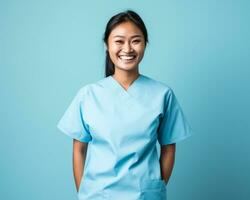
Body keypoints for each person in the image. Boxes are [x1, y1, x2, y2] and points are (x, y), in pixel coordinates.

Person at [57, 9, 193, 200]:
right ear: (107, 45)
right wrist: (84, 192)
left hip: (144, 195)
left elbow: (169, 148)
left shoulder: (162, 95)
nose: (127, 49)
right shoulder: (88, 95)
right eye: (119, 41)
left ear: (145, 44)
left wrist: (155, 187)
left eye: (135, 40)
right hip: (98, 195)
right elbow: (78, 150)